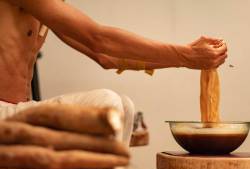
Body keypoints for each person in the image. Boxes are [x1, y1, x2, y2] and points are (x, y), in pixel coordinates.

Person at [0, 0, 227, 145]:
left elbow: (106, 58)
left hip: (19, 110)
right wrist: (185, 54)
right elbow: (98, 40)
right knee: (106, 103)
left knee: (124, 107)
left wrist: (186, 60)